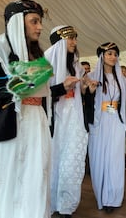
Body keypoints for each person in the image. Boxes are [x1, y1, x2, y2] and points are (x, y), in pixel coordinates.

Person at [0, 0, 53, 218]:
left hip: (36, 120)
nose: (39, 27)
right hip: (9, 124)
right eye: (34, 21)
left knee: (35, 175)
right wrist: (26, 81)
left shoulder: (38, 54)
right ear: (17, 23)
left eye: (39, 22)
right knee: (7, 177)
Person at [84, 42, 126, 213]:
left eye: (115, 54)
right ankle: (102, 196)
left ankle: (113, 197)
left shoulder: (123, 79)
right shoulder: (91, 76)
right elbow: (85, 103)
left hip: (116, 122)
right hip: (99, 122)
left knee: (114, 160)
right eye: (109, 54)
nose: (113, 57)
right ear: (102, 56)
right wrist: (90, 92)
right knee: (99, 159)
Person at [44, 25, 88, 218]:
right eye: (70, 38)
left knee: (71, 161)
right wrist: (62, 86)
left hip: (74, 118)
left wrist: (87, 88)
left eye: (75, 38)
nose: (74, 42)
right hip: (54, 120)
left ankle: (67, 205)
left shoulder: (76, 65)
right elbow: (42, 95)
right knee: (54, 161)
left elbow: (80, 93)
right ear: (60, 41)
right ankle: (52, 203)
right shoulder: (45, 63)